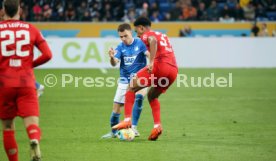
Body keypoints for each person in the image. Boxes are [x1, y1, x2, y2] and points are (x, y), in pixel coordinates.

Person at [0, 0, 52, 161]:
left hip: (4, 84)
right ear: (20, 10)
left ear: (3, 11)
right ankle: (34, 138)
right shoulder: (31, 29)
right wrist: (30, 65)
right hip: (26, 82)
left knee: (8, 127)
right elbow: (48, 55)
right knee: (32, 123)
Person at [112, 16, 178, 141]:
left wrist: (152, 62)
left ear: (141, 27)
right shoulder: (162, 35)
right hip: (173, 70)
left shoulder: (147, 34)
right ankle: (157, 126)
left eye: (137, 31)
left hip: (160, 66)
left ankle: (127, 120)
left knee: (131, 85)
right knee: (152, 96)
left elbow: (152, 41)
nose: (137, 34)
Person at [102, 23, 148, 139]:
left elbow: (149, 54)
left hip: (139, 79)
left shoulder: (140, 43)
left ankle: (134, 127)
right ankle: (114, 132)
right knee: (116, 109)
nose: (123, 39)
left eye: (125, 36)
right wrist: (112, 57)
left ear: (131, 33)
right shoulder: (120, 47)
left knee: (139, 97)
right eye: (121, 37)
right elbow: (114, 63)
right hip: (124, 81)